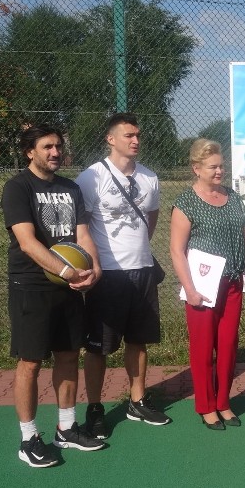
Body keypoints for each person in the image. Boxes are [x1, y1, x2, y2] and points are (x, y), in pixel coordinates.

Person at [2, 124, 106, 467]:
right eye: (47, 147)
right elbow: (28, 242)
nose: (55, 152)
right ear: (29, 151)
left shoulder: (70, 188)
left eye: (58, 146)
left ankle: (66, 428)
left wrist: (93, 270)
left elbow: (83, 235)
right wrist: (65, 271)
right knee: (30, 362)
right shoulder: (17, 188)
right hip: (32, 286)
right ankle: (28, 437)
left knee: (67, 355)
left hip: (69, 288)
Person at [75, 113, 170, 438]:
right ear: (110, 139)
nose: (136, 140)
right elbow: (81, 228)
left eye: (138, 135)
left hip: (142, 270)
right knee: (99, 347)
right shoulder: (90, 178)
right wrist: (96, 263)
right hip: (107, 277)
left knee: (139, 340)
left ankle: (138, 400)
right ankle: (95, 408)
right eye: (128, 135)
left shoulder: (149, 178)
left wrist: (138, 251)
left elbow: (151, 217)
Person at [170, 139, 245, 430]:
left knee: (229, 344)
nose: (220, 171)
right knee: (203, 347)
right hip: (203, 286)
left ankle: (223, 402)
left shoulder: (232, 197)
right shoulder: (185, 203)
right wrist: (190, 289)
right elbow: (176, 251)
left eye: (222, 165)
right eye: (213, 167)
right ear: (197, 169)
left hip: (232, 282)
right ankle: (206, 406)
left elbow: (244, 236)